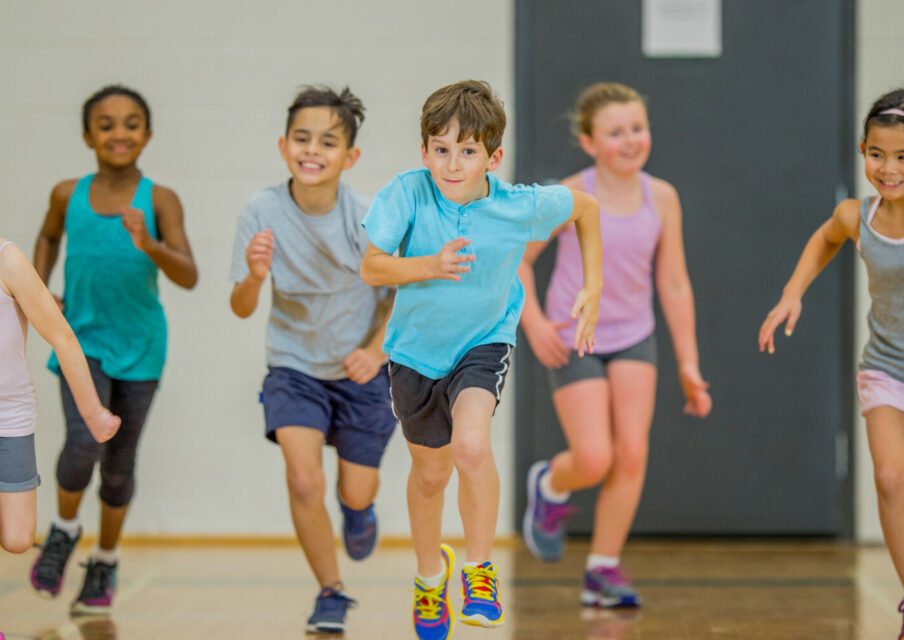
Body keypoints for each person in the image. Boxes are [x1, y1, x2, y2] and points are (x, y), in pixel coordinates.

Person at [360, 79, 602, 640]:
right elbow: (372, 267)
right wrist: (428, 265)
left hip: (483, 340)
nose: (451, 163)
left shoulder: (517, 205)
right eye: (440, 149)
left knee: (471, 446)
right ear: (424, 151)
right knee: (430, 474)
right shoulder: (407, 193)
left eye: (467, 151)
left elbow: (586, 210)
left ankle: (478, 568)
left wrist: (594, 284)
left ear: (492, 157)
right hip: (415, 353)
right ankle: (428, 579)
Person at [520, 82, 712, 608]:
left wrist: (689, 363)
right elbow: (519, 260)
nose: (630, 140)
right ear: (588, 142)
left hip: (634, 335)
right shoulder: (569, 196)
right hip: (574, 334)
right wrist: (534, 323)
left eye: (637, 128)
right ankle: (551, 485)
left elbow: (673, 283)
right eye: (615, 132)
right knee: (595, 456)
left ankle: (602, 571)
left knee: (631, 454)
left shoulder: (663, 197)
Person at [229, 86, 396, 635]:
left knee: (355, 488)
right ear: (283, 146)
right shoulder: (262, 210)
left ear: (350, 157)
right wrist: (255, 277)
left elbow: (403, 294)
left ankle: (359, 510)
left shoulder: (368, 216)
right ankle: (331, 590)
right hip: (294, 367)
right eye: (302, 137)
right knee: (303, 481)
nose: (312, 149)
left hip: (361, 368)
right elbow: (240, 306)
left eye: (329, 141)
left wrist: (375, 351)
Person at [29, 85, 198, 615]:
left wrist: (148, 243)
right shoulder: (65, 194)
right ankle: (63, 531)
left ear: (147, 133)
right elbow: (48, 238)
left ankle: (104, 559)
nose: (119, 133)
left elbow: (188, 275)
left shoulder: (161, 199)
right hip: (82, 340)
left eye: (131, 123)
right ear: (87, 136)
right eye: (106, 124)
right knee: (83, 444)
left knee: (120, 465)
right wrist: (39, 290)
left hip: (142, 348)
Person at [759, 88, 904, 637]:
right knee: (890, 478)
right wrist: (792, 293)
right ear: (864, 150)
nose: (888, 169)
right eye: (877, 154)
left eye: (903, 157)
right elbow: (824, 239)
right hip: (887, 366)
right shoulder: (857, 216)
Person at [0, 238, 120, 554]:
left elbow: (63, 337)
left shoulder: (8, 260)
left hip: (9, 417)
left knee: (17, 538)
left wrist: (93, 412)